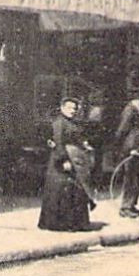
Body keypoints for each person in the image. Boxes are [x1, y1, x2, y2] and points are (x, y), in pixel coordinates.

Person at [39, 98, 95, 231]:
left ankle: (77, 223)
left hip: (75, 159)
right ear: (62, 108)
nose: (72, 111)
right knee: (61, 191)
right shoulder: (59, 123)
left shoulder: (73, 123)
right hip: (61, 161)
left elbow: (77, 138)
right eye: (69, 108)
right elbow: (58, 142)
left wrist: (84, 145)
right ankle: (58, 224)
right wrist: (63, 160)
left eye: (74, 108)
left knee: (75, 191)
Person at [113, 95, 139, 217]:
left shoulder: (136, 109)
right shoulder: (130, 110)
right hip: (130, 149)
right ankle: (125, 207)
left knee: (136, 177)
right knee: (130, 177)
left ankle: (131, 205)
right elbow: (122, 130)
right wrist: (124, 147)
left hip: (135, 148)